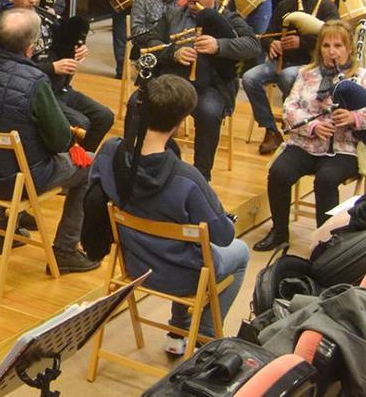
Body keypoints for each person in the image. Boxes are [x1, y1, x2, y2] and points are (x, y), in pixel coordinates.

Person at [92, 74, 249, 354]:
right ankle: (204, 337)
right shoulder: (187, 179)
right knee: (240, 253)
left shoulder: (109, 153)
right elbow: (224, 237)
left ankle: (177, 330)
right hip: (182, 276)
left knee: (186, 238)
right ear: (180, 122)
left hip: (135, 266)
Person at [0, 8, 101, 273]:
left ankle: (4, 227)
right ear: (30, 48)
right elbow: (59, 141)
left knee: (10, 146)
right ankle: (65, 250)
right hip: (14, 181)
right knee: (89, 168)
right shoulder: (35, 81)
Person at [256, 21, 366, 251]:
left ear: (349, 49)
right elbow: (290, 109)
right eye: (327, 45)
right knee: (279, 172)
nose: (332, 51)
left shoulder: (363, 76)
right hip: (306, 144)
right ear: (319, 48)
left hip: (343, 148)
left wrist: (355, 118)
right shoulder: (306, 74)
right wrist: (312, 128)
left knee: (326, 180)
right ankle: (279, 232)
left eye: (338, 46)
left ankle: (325, 240)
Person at [128, 0, 259, 181]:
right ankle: (134, 161)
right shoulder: (173, 14)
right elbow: (152, 42)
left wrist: (219, 46)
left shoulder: (229, 17)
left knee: (209, 112)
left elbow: (253, 46)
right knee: (137, 101)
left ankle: (201, 176)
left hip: (210, 87)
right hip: (172, 84)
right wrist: (174, 53)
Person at [5, 0, 114, 151]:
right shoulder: (8, 26)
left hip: (59, 88)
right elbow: (13, 69)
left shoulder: (44, 17)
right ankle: (66, 164)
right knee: (81, 123)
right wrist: (52, 68)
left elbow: (60, 47)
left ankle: (79, 163)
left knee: (104, 117)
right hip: (34, 93)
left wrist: (76, 51)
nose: (33, 0)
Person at [243, 0, 339, 155]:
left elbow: (333, 38)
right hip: (280, 60)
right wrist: (272, 44)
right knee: (249, 77)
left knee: (288, 76)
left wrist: (301, 42)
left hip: (310, 64)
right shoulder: (285, 5)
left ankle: (296, 126)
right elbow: (268, 34)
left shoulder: (327, 8)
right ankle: (271, 130)